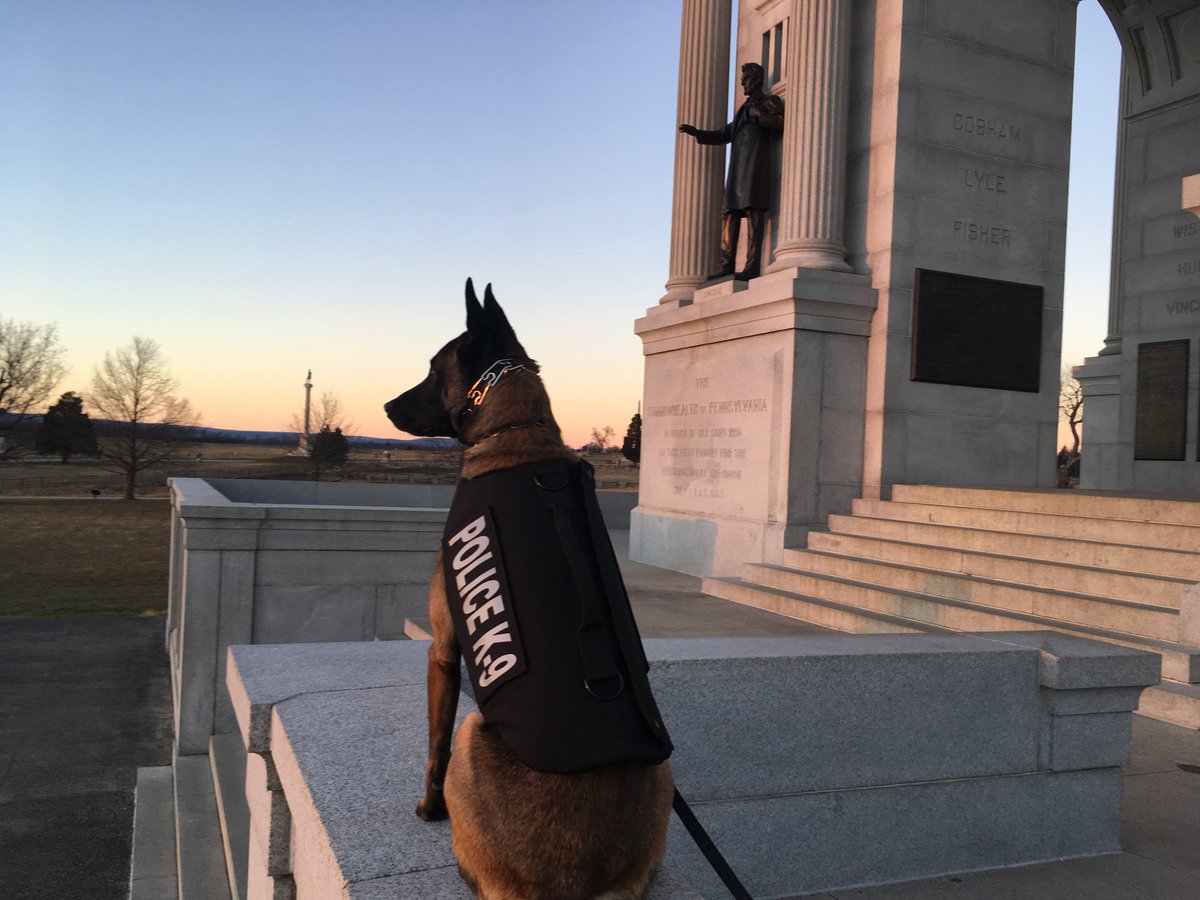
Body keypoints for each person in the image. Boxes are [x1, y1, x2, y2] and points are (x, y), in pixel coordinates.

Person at [679, 62, 784, 280]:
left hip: (755, 167)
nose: (742, 83)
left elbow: (779, 122)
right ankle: (726, 266)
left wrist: (759, 115)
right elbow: (726, 132)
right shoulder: (743, 109)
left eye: (745, 79)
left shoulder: (768, 102)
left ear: (756, 80)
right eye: (742, 80)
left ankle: (751, 267)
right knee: (729, 213)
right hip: (737, 169)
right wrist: (699, 133)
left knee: (754, 214)